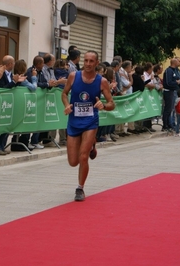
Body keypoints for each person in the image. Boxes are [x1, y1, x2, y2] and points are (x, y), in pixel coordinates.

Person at [61, 50, 115, 202]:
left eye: (92, 61)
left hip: (91, 122)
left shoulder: (101, 81)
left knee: (83, 157)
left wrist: (103, 105)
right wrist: (66, 105)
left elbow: (112, 104)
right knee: (73, 162)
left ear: (97, 63)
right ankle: (91, 145)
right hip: (74, 121)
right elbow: (64, 93)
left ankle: (80, 188)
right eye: (86, 61)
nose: (88, 64)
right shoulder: (73, 76)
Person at [162, 58, 180, 131]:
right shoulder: (168, 71)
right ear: (174, 63)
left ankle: (169, 124)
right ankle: (165, 125)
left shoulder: (175, 70)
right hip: (168, 91)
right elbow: (168, 82)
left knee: (170, 109)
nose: (179, 63)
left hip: (172, 91)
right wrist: (176, 83)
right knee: (167, 109)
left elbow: (178, 78)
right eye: (177, 62)